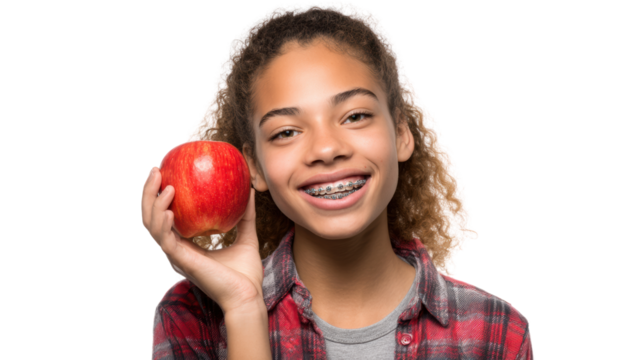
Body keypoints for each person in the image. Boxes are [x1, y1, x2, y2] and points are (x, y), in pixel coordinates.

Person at [144, 2, 534, 359]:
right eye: (286, 132)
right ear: (255, 168)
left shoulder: (496, 332)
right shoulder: (193, 319)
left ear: (401, 133)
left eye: (355, 116)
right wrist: (245, 308)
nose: (327, 149)